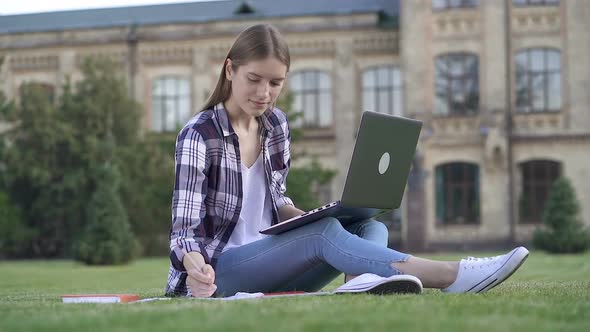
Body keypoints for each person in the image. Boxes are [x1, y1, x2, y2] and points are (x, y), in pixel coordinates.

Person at [165, 24, 529, 298]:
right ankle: (451, 275)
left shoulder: (275, 125)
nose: (264, 93)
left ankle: (358, 283)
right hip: (218, 275)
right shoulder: (200, 135)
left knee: (368, 226)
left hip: (270, 267)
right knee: (324, 236)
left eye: (275, 83)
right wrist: (195, 268)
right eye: (254, 79)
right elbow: (183, 234)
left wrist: (316, 215)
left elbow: (275, 202)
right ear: (230, 70)